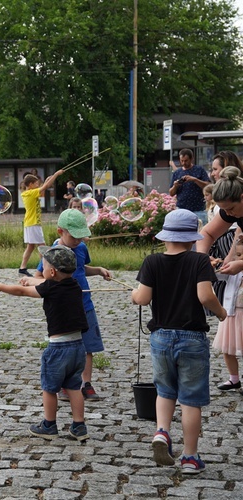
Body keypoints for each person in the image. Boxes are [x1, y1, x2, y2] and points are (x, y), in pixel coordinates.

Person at [131, 209, 226, 474]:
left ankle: (162, 432)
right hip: (192, 337)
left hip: (160, 337)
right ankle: (190, 457)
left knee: (164, 390)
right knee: (191, 399)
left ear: (166, 237)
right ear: (192, 237)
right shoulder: (199, 261)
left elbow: (143, 298)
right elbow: (205, 296)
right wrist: (220, 312)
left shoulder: (151, 262)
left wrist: (133, 295)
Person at [0, 245, 89, 441]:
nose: (41, 268)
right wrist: (31, 280)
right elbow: (43, 282)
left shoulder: (49, 287)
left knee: (50, 388)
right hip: (78, 347)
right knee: (74, 387)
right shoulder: (75, 285)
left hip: (58, 349)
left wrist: (0, 287)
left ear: (51, 272)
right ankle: (79, 426)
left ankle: (49, 424)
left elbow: (22, 292)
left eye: (43, 265)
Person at [22, 209, 111, 400]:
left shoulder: (81, 248)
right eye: (74, 236)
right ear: (60, 231)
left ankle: (86, 384)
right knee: (65, 348)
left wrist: (98, 270)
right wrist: (32, 282)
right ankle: (65, 384)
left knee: (88, 347)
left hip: (84, 305)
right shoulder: (52, 253)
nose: (78, 240)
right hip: (63, 309)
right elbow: (40, 276)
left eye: (81, 236)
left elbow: (81, 268)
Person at [18, 170, 64, 277]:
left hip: (30, 223)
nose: (38, 185)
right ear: (30, 185)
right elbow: (46, 186)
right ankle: (45, 268)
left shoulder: (27, 193)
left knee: (30, 247)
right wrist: (56, 174)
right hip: (33, 224)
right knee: (42, 246)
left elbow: (45, 185)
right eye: (36, 184)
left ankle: (22, 268)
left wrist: (49, 178)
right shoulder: (30, 193)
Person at [212, 236, 243, 391]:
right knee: (228, 348)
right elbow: (218, 276)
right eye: (237, 255)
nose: (239, 259)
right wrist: (214, 266)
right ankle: (234, 379)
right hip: (231, 313)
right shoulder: (233, 270)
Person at [169, 148, 210, 224]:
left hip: (198, 209)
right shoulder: (177, 173)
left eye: (186, 160)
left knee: (200, 232)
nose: (183, 163)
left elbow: (208, 186)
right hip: (181, 209)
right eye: (182, 161)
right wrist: (175, 186)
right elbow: (171, 193)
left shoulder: (199, 169)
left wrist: (195, 180)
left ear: (192, 159)